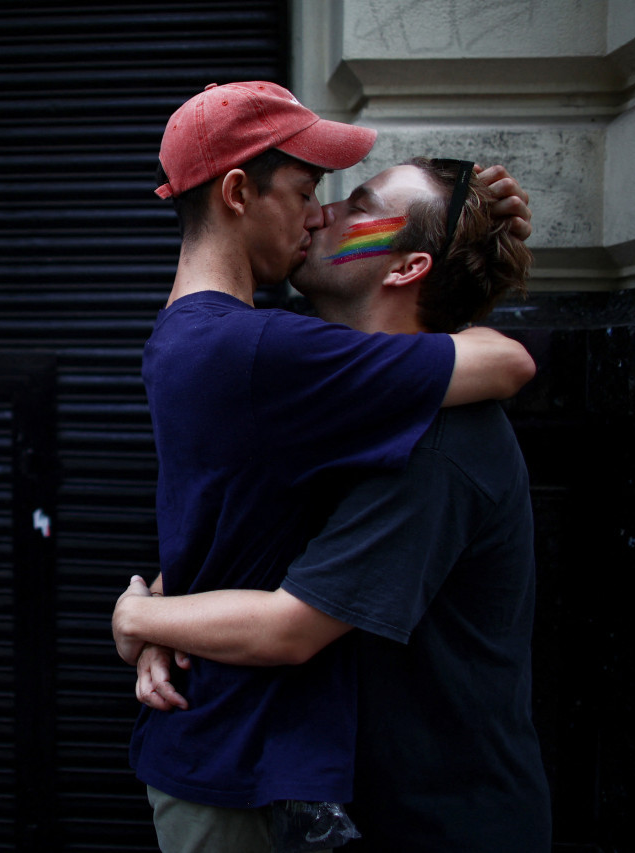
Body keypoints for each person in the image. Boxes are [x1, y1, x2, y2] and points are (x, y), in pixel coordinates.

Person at [124, 80, 537, 852]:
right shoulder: (280, 356)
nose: (324, 214)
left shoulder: (429, 434)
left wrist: (142, 615)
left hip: (439, 816)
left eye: (356, 206)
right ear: (239, 193)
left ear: (409, 266)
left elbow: (288, 612)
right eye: (315, 192)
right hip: (321, 785)